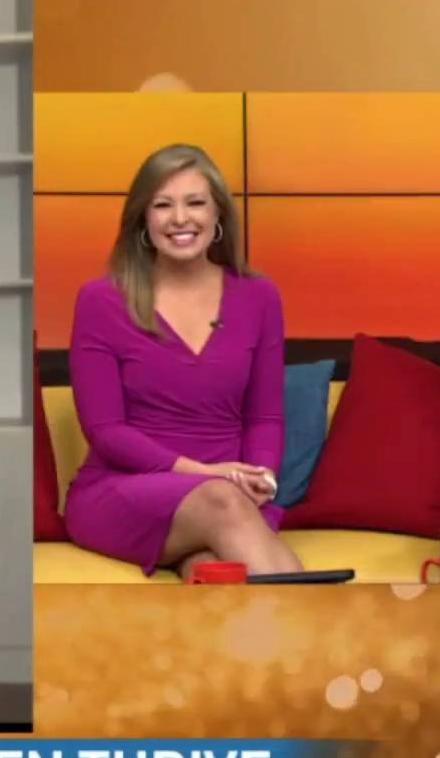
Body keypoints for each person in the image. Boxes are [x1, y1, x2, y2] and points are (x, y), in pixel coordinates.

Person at [62, 144, 303, 580]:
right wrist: (207, 475)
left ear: (218, 217)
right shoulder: (101, 300)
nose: (180, 219)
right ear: (143, 219)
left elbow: (265, 416)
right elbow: (105, 431)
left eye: (195, 202)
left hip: (228, 496)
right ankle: (326, 638)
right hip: (126, 490)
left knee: (214, 572)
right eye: (162, 205)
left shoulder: (259, 297)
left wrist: (260, 477)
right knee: (220, 503)